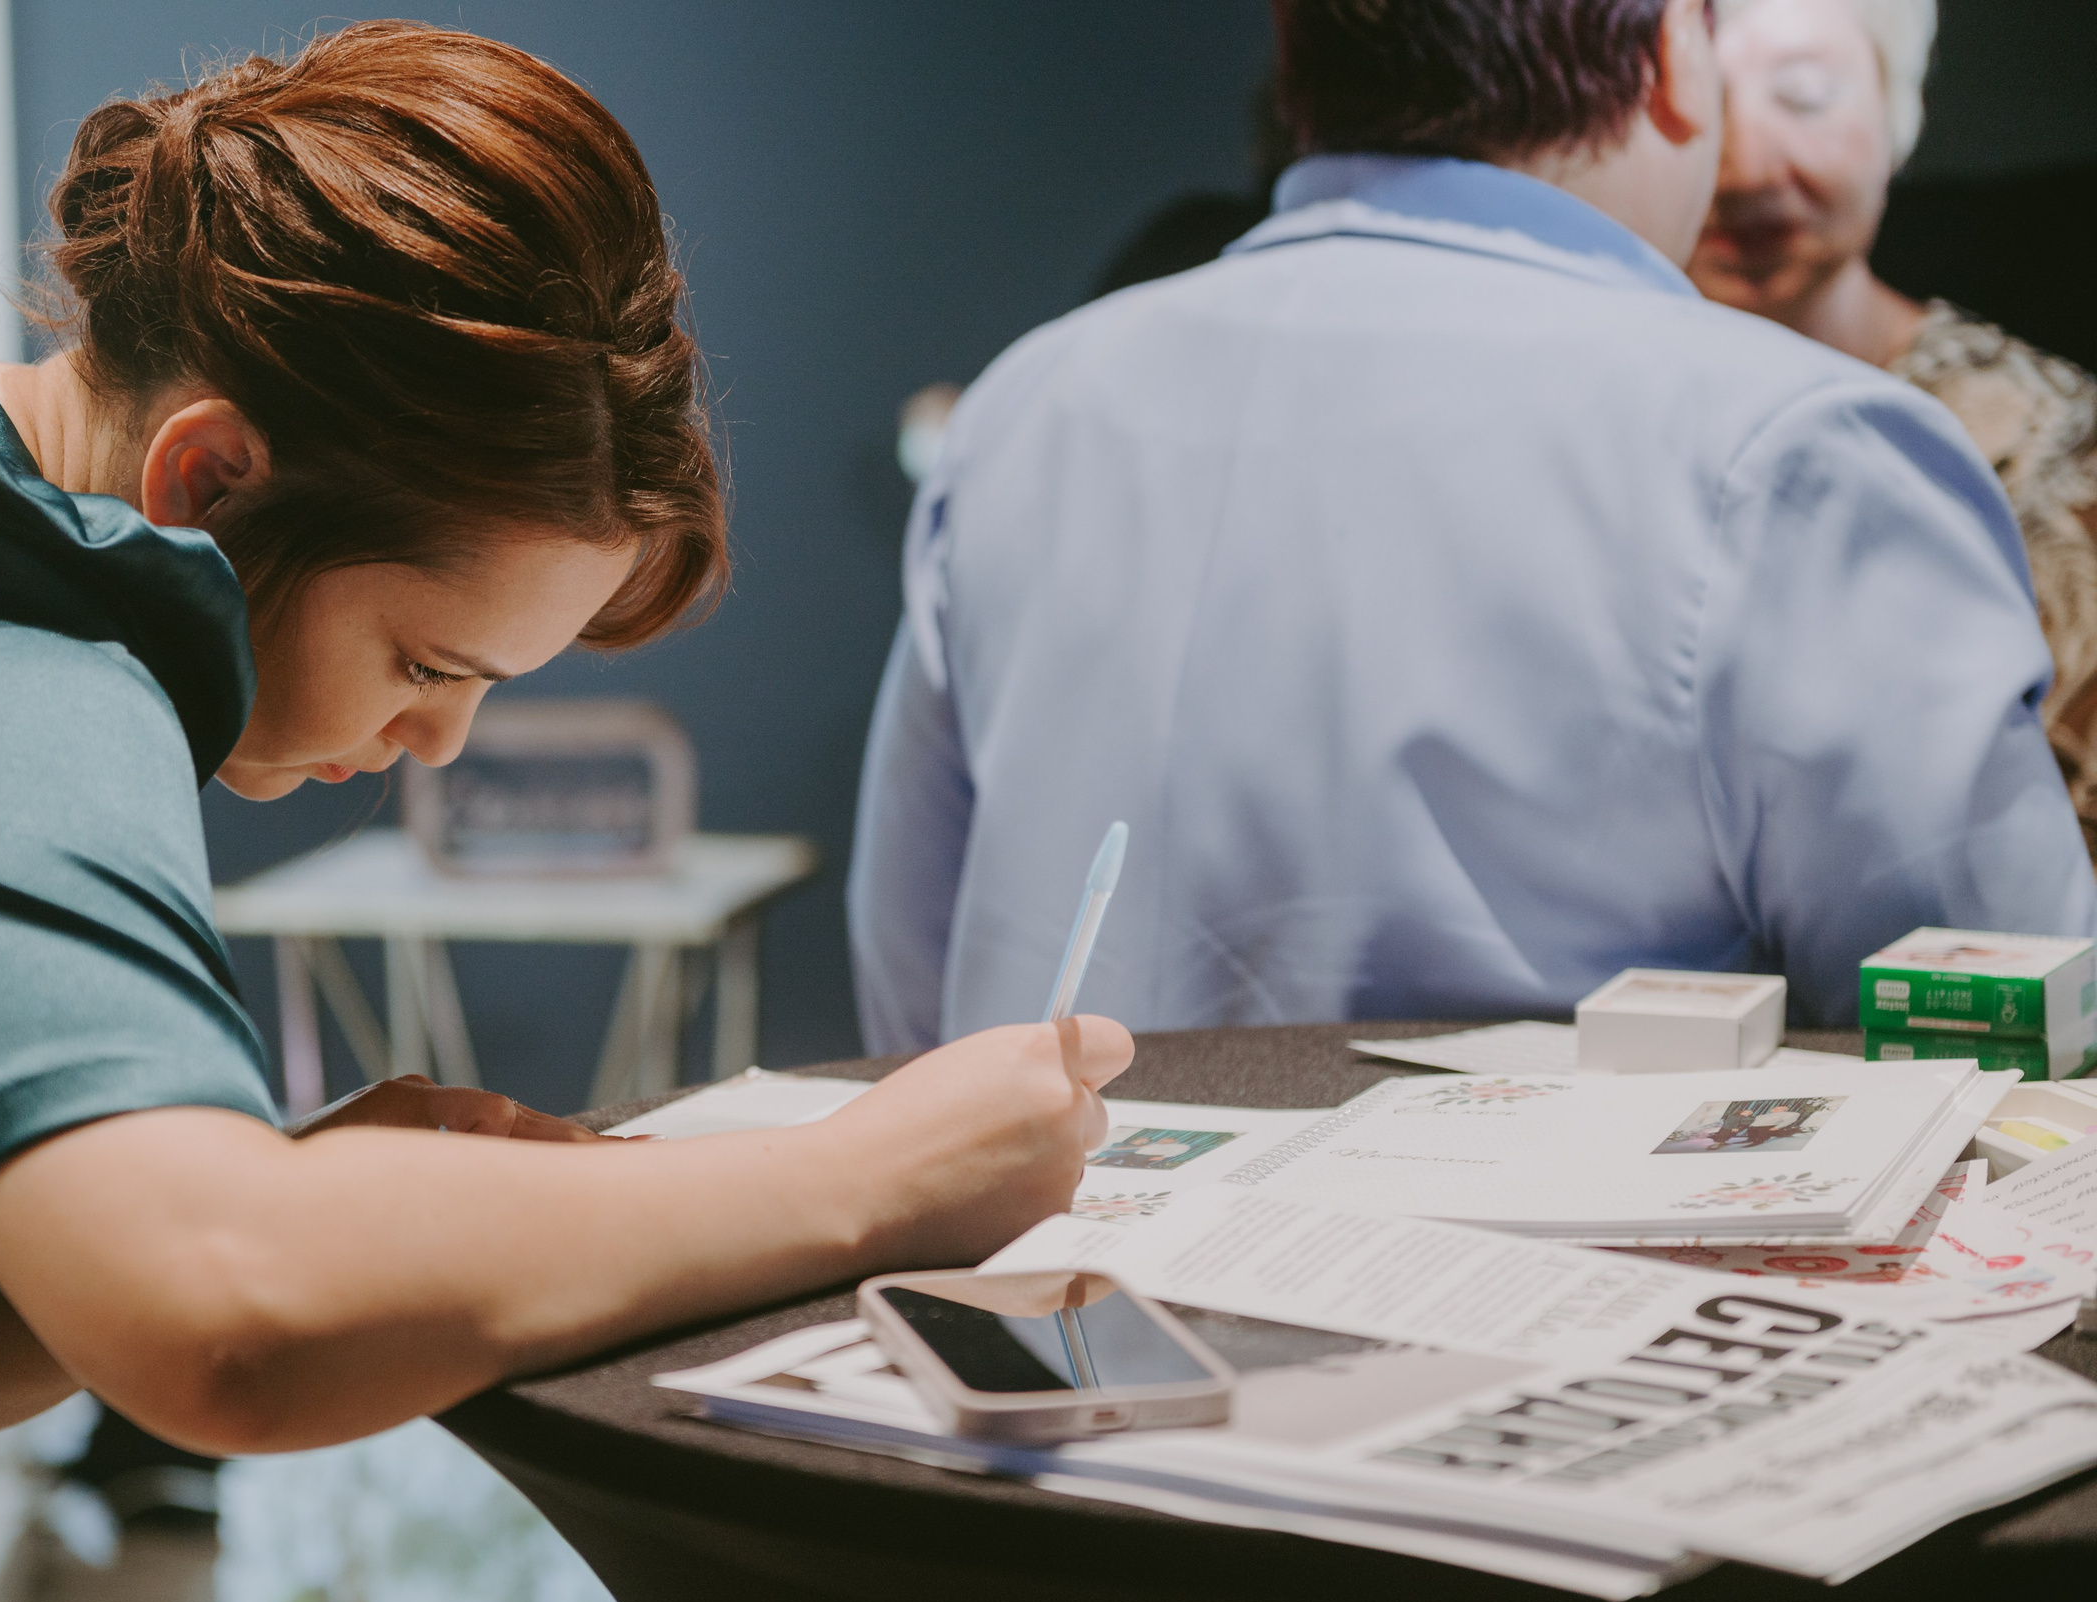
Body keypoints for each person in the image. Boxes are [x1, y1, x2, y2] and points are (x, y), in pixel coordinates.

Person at [0, 25, 1131, 1602]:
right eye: (429, 664)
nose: (437, 742)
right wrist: (864, 1179)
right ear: (210, 474)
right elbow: (225, 1316)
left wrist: (314, 1178)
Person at [848, 0, 2096, 1052]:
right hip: (1576, 1328)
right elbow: (2004, 1025)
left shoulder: (1028, 403)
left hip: (1054, 1307)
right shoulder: (1797, 445)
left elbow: (912, 973)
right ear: (1670, 60)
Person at [1688, 0, 2097, 857]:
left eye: (1804, 99)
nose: (1746, 166)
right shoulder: (1584, 418)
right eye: (1699, 103)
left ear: (1895, 114)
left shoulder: (2052, 448)